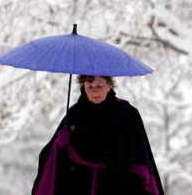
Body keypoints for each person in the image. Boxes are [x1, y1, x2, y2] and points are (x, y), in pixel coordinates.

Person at [31, 75, 164, 195]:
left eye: (99, 86)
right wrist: (59, 145)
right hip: (78, 185)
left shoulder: (127, 114)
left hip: (118, 185)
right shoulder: (75, 114)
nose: (94, 91)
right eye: (90, 87)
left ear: (109, 85)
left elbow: (140, 158)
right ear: (83, 86)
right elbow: (50, 160)